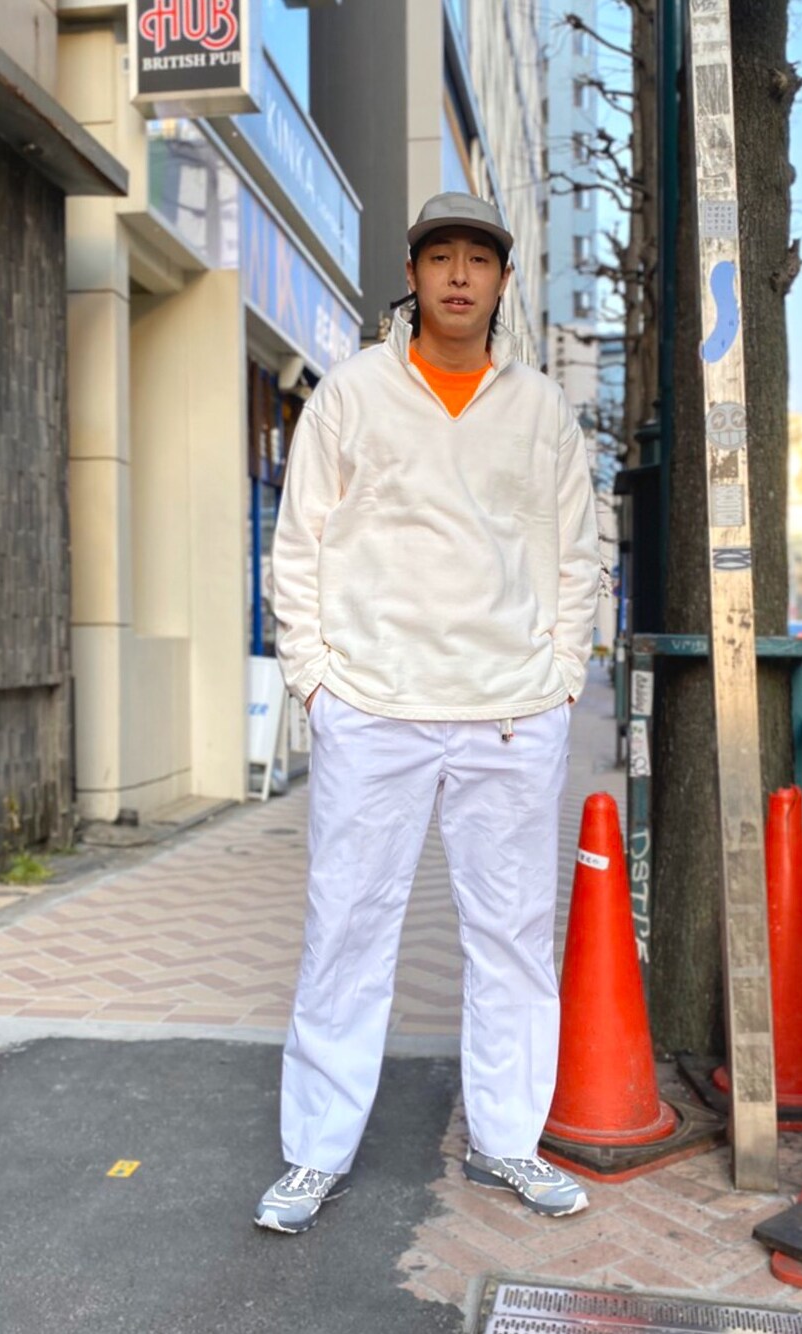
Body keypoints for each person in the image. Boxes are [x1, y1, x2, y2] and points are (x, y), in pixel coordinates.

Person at [255, 192, 601, 1235]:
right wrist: (315, 679)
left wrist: (562, 674)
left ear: (502, 280)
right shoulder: (352, 394)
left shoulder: (541, 409)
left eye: (477, 259)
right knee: (346, 927)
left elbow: (576, 555)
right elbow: (300, 542)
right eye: (439, 257)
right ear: (412, 275)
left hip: (512, 711)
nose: (458, 275)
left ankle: (508, 1139)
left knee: (512, 935)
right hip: (373, 704)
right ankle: (314, 1152)